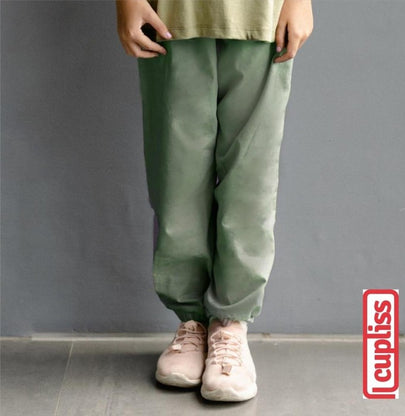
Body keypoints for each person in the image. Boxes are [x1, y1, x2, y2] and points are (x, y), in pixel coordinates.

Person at [115, 0, 313, 402]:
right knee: (177, 177)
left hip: (263, 15)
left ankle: (230, 325)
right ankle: (192, 323)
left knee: (251, 181)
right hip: (169, 15)